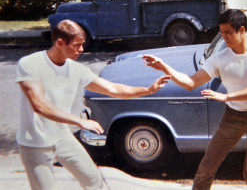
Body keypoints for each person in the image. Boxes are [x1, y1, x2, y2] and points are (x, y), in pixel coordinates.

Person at [16, 19, 170, 190]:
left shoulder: (76, 70)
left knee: (94, 181)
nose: (81, 49)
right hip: (35, 143)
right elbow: (39, 105)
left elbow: (113, 89)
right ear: (60, 43)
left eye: (82, 44)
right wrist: (79, 121)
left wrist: (148, 89)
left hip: (62, 138)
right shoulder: (30, 64)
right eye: (77, 45)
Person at [143, 9, 247, 190]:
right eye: (221, 33)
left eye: (228, 33)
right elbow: (191, 82)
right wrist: (166, 68)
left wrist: (227, 96)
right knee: (206, 167)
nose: (224, 37)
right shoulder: (220, 58)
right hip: (233, 117)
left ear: (242, 30)